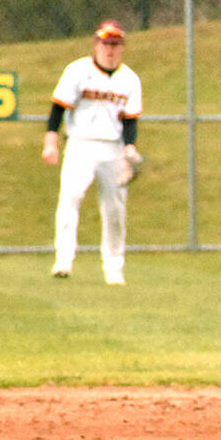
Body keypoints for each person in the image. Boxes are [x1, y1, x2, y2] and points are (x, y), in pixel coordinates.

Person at [42, 19, 143, 285]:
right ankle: (63, 260)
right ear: (95, 44)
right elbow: (57, 109)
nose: (110, 49)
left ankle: (113, 267)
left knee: (115, 210)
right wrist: (51, 142)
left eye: (115, 44)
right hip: (80, 144)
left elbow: (130, 120)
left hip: (113, 148)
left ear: (122, 48)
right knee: (70, 199)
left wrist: (130, 147)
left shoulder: (130, 79)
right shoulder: (77, 71)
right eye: (106, 43)